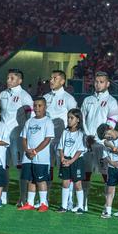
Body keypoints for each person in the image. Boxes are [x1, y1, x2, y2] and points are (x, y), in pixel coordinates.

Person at [81, 71, 118, 211]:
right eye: (96, 81)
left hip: (102, 145)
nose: (98, 84)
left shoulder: (112, 101)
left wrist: (98, 138)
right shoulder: (87, 100)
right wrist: (87, 136)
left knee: (106, 175)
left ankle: (107, 206)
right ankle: (83, 203)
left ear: (108, 83)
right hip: (87, 143)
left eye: (101, 82)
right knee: (86, 174)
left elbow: (111, 124)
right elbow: (83, 119)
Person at [0, 69, 34, 205]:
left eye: (12, 78)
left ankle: (23, 198)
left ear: (20, 81)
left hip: (17, 137)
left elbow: (30, 118)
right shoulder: (2, 94)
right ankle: (2, 197)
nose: (8, 80)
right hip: (3, 137)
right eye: (8, 78)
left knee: (20, 168)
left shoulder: (25, 96)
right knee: (3, 167)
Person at [43, 70, 77, 206]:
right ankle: (45, 198)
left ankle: (69, 200)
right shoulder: (45, 97)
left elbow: (75, 119)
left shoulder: (69, 98)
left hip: (63, 142)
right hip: (47, 141)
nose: (51, 80)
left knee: (66, 171)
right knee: (47, 169)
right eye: (51, 78)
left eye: (55, 78)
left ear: (62, 81)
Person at [17, 97, 55, 212]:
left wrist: (35, 151)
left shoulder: (48, 121)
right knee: (30, 179)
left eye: (40, 106)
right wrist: (27, 150)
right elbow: (24, 138)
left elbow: (47, 139)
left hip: (41, 158)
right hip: (28, 157)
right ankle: (30, 203)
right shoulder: (29, 121)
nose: (37, 108)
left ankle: (43, 203)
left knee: (40, 180)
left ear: (45, 107)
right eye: (35, 106)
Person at [97, 123, 118, 220]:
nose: (107, 137)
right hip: (112, 168)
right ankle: (108, 211)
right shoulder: (107, 141)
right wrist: (111, 162)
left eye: (107, 134)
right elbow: (105, 155)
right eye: (105, 137)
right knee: (109, 190)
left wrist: (112, 147)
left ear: (111, 128)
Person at [58, 108, 86, 213]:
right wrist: (62, 158)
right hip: (65, 160)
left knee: (77, 184)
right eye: (68, 118)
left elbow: (79, 150)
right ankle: (64, 206)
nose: (69, 120)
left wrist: (71, 161)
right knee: (65, 183)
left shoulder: (81, 133)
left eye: (72, 118)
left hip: (76, 161)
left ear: (78, 119)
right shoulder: (65, 132)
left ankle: (80, 207)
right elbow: (60, 147)